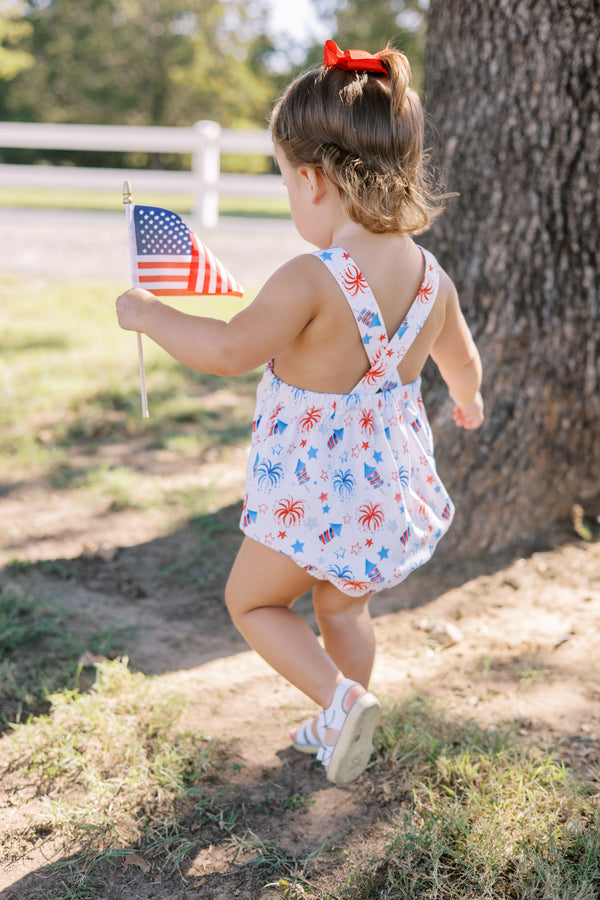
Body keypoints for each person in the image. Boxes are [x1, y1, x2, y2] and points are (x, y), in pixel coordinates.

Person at [116, 39, 484, 785]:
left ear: (313, 181)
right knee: (342, 610)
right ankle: (345, 721)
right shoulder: (431, 276)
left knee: (251, 603)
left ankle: (341, 701)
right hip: (381, 495)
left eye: (287, 183)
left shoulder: (313, 279)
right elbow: (463, 364)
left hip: (310, 494)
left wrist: (150, 314)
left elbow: (226, 350)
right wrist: (469, 403)